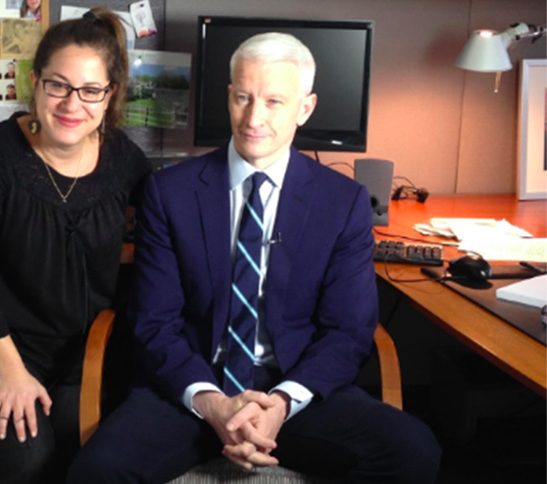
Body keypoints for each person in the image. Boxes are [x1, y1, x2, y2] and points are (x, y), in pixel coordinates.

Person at [67, 32, 441, 483]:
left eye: (273, 102)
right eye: (243, 97)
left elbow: (348, 331)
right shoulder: (169, 193)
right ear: (228, 96)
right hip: (189, 392)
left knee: (414, 452)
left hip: (293, 396)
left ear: (305, 108)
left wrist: (280, 404)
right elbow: (153, 322)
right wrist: (213, 403)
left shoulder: (343, 202)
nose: (253, 118)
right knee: (95, 473)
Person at [0, 6, 151, 483]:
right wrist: (12, 373)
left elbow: (174, 221)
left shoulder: (123, 159)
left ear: (109, 96)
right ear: (36, 83)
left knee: (90, 451)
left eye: (89, 90)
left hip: (86, 351)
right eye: (57, 85)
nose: (71, 103)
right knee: (29, 459)